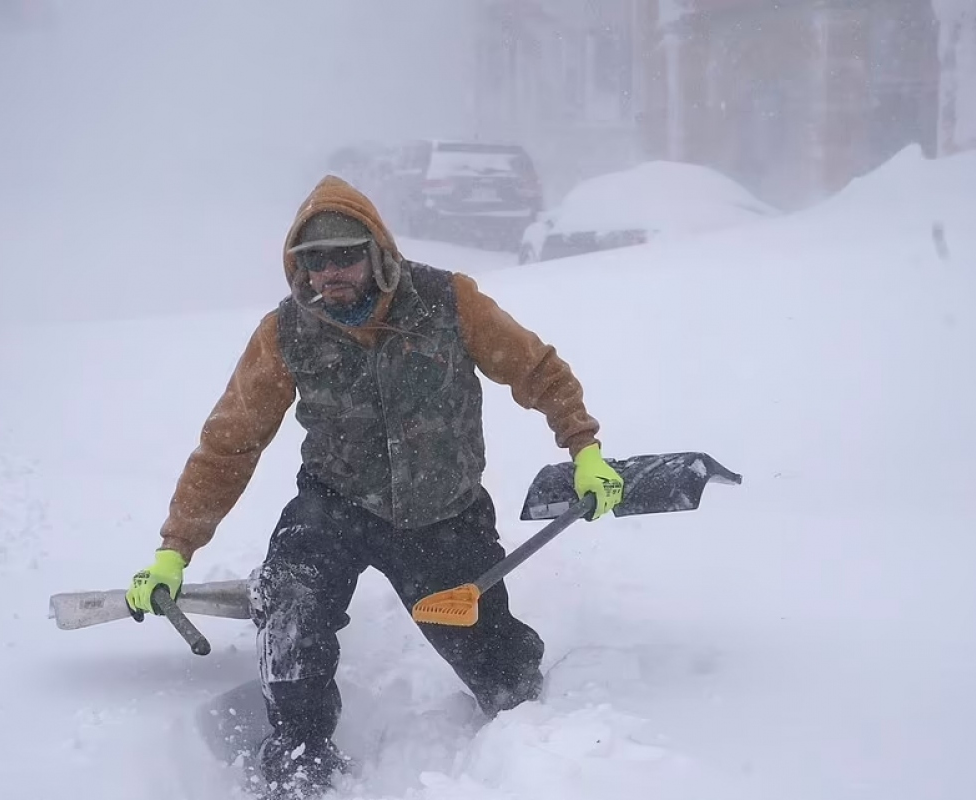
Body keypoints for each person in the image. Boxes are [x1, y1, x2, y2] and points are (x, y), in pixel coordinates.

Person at [124, 175, 624, 798]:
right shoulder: (285, 332)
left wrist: (584, 449)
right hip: (334, 502)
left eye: (344, 255)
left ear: (377, 252)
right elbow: (229, 444)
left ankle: (528, 722)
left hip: (443, 512)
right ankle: (300, 752)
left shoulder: (448, 301)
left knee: (499, 674)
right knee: (293, 604)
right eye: (313, 262)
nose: (329, 273)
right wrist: (175, 548)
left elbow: (537, 370)